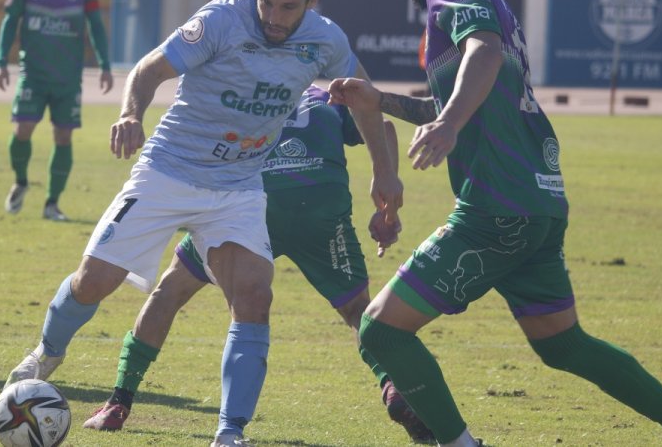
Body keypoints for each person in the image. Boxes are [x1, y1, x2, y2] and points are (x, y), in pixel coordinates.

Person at [328, 0, 662, 447]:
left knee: (379, 331)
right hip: (538, 204)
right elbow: (459, 95)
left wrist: (448, 125)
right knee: (562, 344)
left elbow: (483, 53)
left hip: (496, 209)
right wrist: (382, 101)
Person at [3, 0, 403, 447]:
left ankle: (229, 433)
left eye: (288, 7)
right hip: (169, 170)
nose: (273, 17)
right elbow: (149, 69)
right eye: (266, 2)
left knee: (254, 296)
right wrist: (130, 114)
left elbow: (366, 101)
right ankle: (46, 353)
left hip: (238, 186)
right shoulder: (220, 20)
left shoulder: (326, 40)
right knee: (94, 281)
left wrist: (384, 174)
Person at [81, 86, 433, 443]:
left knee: (170, 290)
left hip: (254, 205)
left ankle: (119, 401)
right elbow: (384, 128)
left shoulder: (242, 90)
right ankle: (392, 386)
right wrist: (387, 206)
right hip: (320, 205)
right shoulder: (328, 97)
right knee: (358, 310)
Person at [0, 0, 113, 221]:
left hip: (68, 78)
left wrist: (105, 65)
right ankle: (21, 181)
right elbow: (10, 21)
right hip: (32, 74)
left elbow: (95, 25)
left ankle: (52, 203)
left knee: (63, 136)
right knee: (22, 129)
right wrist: (0, 62)